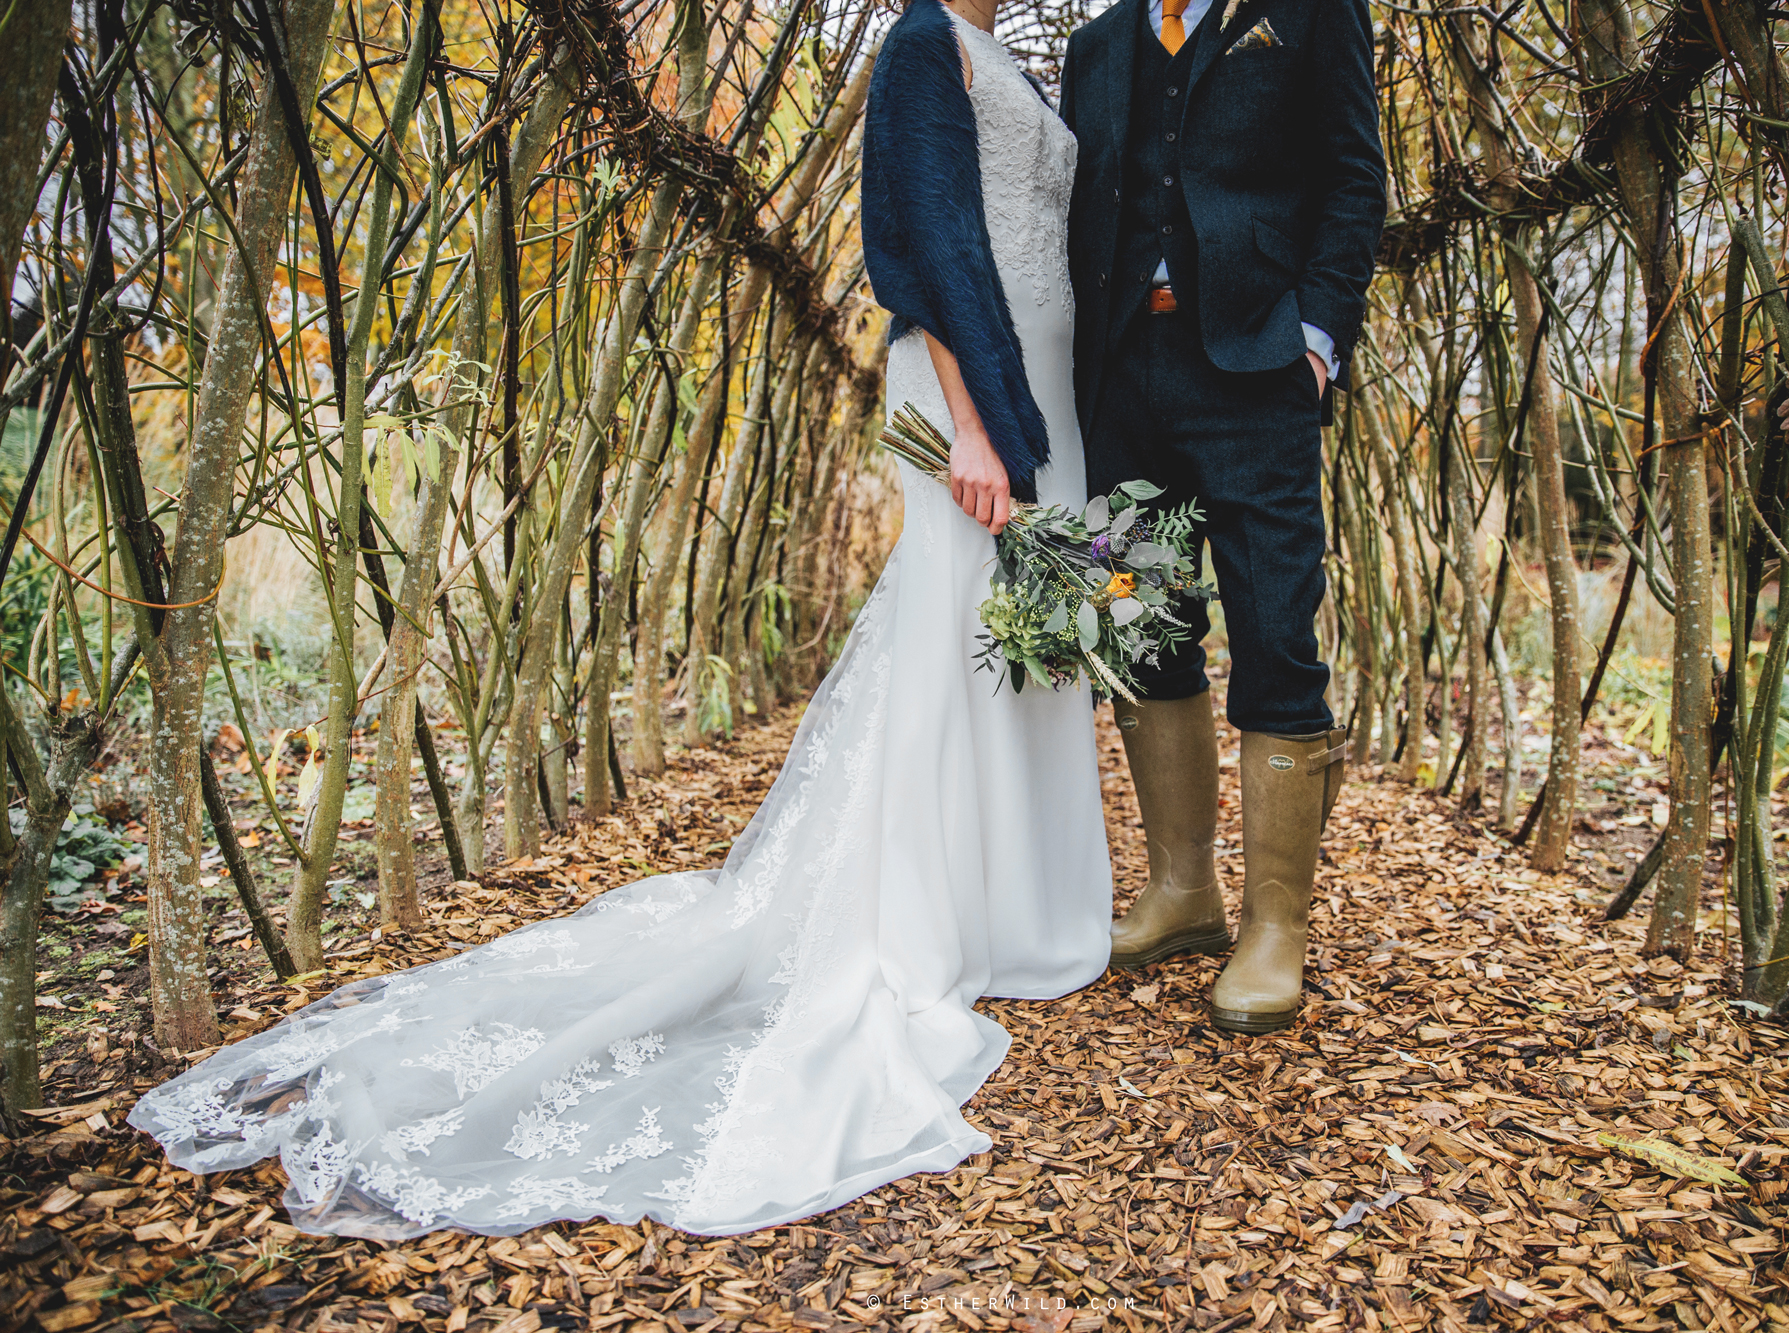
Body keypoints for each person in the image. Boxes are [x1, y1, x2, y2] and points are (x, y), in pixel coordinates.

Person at [130, 0, 1111, 1238]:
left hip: (1052, 377)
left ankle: (1017, 907)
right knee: (954, 628)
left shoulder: (1012, 57)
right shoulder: (920, 44)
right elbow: (918, 247)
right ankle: (927, 920)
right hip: (978, 387)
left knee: (1020, 639)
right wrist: (972, 425)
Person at [1059, 0, 1386, 1033]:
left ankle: (1276, 925)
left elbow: (1351, 177)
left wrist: (1317, 339)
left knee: (1278, 631)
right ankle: (1182, 893)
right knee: (1148, 634)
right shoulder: (1097, 46)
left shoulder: (1310, 12)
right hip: (1121, 380)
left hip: (1253, 377)